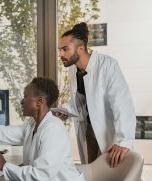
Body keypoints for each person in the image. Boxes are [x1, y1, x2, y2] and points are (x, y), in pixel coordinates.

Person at [58, 22, 136, 167]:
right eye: (60, 50)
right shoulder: (73, 70)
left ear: (81, 48)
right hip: (88, 132)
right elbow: (81, 101)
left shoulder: (107, 64)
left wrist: (123, 141)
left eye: (65, 49)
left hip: (109, 133)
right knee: (93, 174)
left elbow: (123, 104)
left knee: (112, 175)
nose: (60, 54)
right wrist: (67, 111)